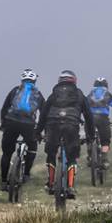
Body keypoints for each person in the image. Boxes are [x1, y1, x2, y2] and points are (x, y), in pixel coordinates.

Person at [36, 70, 94, 198]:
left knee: (51, 154)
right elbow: (89, 117)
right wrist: (91, 135)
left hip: (53, 125)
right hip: (71, 125)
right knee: (72, 156)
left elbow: (43, 115)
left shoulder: (53, 95)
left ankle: (51, 183)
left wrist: (38, 132)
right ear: (74, 81)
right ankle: (71, 186)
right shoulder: (79, 95)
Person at [0, 69, 45, 191]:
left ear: (22, 80)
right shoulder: (37, 94)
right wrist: (39, 130)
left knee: (7, 153)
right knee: (32, 147)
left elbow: (4, 109)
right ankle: (26, 175)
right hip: (28, 125)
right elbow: (44, 113)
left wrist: (3, 124)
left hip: (11, 123)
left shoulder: (15, 90)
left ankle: (3, 182)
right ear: (34, 81)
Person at [86, 77, 112, 168]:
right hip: (103, 119)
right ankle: (104, 160)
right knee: (105, 141)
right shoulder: (108, 95)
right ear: (106, 86)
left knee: (89, 138)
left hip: (90, 119)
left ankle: (90, 155)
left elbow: (83, 107)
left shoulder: (90, 94)